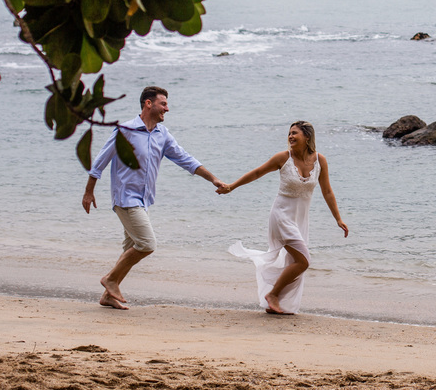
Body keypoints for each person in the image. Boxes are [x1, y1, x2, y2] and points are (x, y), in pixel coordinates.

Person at [82, 85, 226, 309]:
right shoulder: (126, 130)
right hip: (125, 198)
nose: (167, 109)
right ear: (148, 104)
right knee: (147, 244)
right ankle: (110, 280)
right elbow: (101, 160)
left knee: (130, 247)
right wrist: (89, 191)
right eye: (163, 104)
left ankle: (108, 296)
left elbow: (184, 158)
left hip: (143, 199)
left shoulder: (162, 134)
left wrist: (213, 179)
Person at [219, 121, 348, 314]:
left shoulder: (320, 160)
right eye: (289, 133)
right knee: (303, 260)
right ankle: (273, 295)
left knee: (294, 262)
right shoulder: (283, 158)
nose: (290, 137)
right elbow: (257, 173)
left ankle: (276, 300)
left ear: (307, 137)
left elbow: (327, 191)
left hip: (300, 219)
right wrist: (231, 186)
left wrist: (338, 219)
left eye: (295, 133)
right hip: (281, 215)